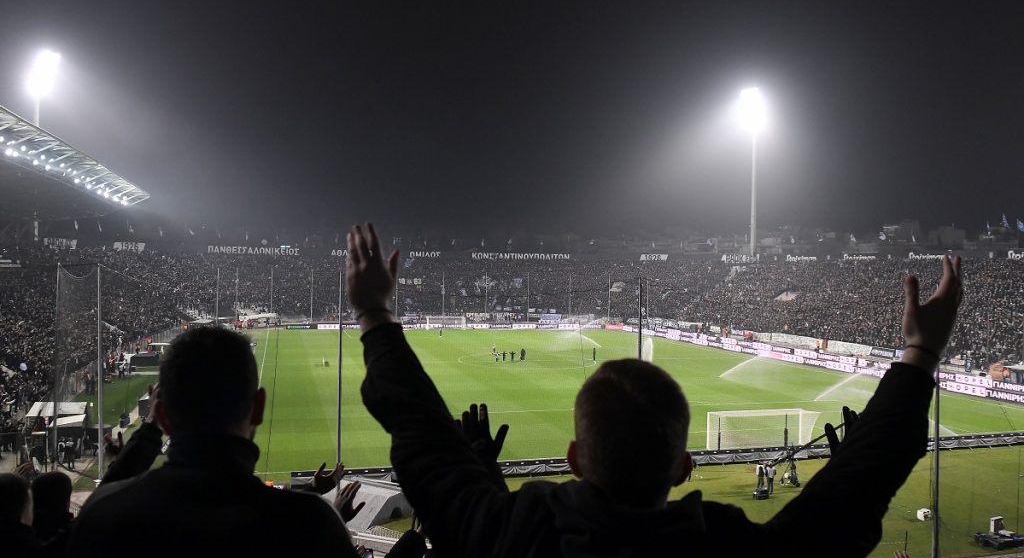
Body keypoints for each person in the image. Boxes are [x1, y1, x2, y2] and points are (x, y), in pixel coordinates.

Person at [348, 223, 963, 557]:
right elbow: (845, 506)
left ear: (575, 458)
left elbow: (423, 437)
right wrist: (920, 354)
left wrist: (375, 312)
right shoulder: (727, 547)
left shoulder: (513, 535)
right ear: (682, 466)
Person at [67, 327, 361, 557]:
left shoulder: (102, 516)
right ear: (258, 407)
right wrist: (318, 501)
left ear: (161, 415)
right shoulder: (313, 524)